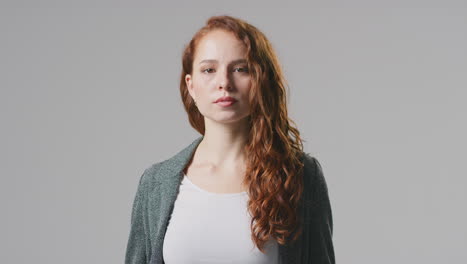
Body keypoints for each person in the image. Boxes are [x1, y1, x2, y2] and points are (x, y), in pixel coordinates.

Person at [125, 15, 335, 264]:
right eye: (209, 70)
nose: (224, 83)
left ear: (260, 80)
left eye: (240, 69)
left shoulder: (299, 176)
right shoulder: (156, 184)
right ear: (191, 86)